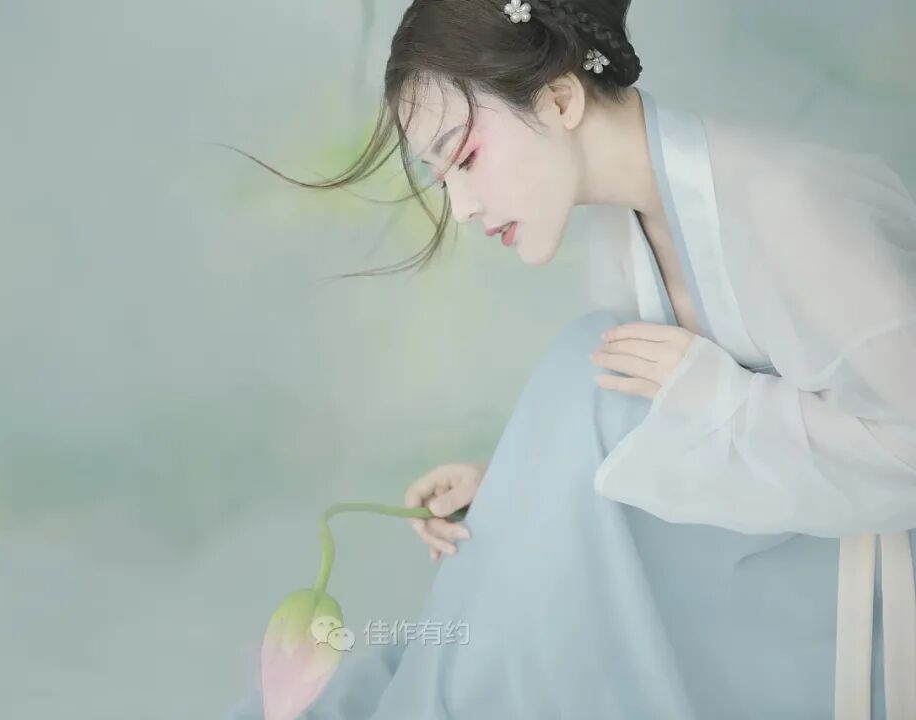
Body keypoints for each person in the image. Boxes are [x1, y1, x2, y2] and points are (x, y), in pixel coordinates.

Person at [223, 0, 916, 717]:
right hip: (737, 559)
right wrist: (523, 483)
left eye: (465, 158)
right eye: (441, 179)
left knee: (576, 380)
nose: (461, 207)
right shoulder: (623, 229)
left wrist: (722, 403)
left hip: (845, 600)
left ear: (559, 99)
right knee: (509, 593)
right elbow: (656, 422)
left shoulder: (788, 205)